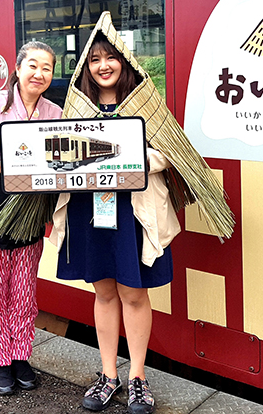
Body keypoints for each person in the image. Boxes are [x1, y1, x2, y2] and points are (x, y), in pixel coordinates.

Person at [50, 32, 181, 414]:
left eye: (110, 57)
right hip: (89, 210)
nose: (103, 65)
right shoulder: (75, 107)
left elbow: (170, 154)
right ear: (86, 68)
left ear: (124, 62)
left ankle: (138, 377)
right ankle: (109, 375)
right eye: (94, 60)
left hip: (132, 212)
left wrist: (126, 158)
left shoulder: (147, 103)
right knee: (104, 293)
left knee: (135, 293)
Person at [0, 41, 62, 396]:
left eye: (47, 68)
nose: (39, 73)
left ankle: (21, 355)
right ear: (18, 69)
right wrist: (16, 166)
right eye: (32, 65)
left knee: (23, 292)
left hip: (30, 212)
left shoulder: (54, 113)